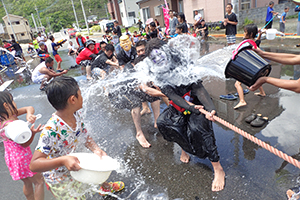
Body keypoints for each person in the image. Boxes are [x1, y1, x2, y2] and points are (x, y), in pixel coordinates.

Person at [143, 38, 225, 191]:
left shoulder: (182, 62)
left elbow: (199, 88)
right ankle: (184, 148)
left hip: (197, 103)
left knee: (199, 129)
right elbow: (172, 96)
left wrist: (210, 108)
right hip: (181, 105)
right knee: (164, 123)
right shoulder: (157, 73)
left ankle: (218, 167)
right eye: (154, 58)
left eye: (160, 54)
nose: (158, 59)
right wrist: (189, 107)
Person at [30, 76, 125, 199]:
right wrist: (63, 160)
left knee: (92, 172)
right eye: (80, 94)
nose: (83, 97)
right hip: (59, 178)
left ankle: (104, 186)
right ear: (73, 99)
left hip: (72, 166)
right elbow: (34, 164)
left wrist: (96, 149)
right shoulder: (51, 130)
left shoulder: (76, 114)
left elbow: (84, 134)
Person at [0, 91, 44, 200]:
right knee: (39, 181)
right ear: (6, 105)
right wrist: (32, 133)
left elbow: (28, 108)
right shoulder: (11, 126)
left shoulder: (9, 117)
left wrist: (29, 114)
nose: (15, 103)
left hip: (12, 159)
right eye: (13, 101)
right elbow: (25, 144)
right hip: (22, 157)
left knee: (27, 182)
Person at [233, 24, 266, 109]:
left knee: (237, 84)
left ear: (250, 34)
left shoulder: (247, 43)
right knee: (256, 80)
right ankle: (262, 92)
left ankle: (242, 101)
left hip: (246, 66)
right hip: (254, 67)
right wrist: (260, 34)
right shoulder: (253, 43)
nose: (243, 34)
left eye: (245, 32)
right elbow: (257, 41)